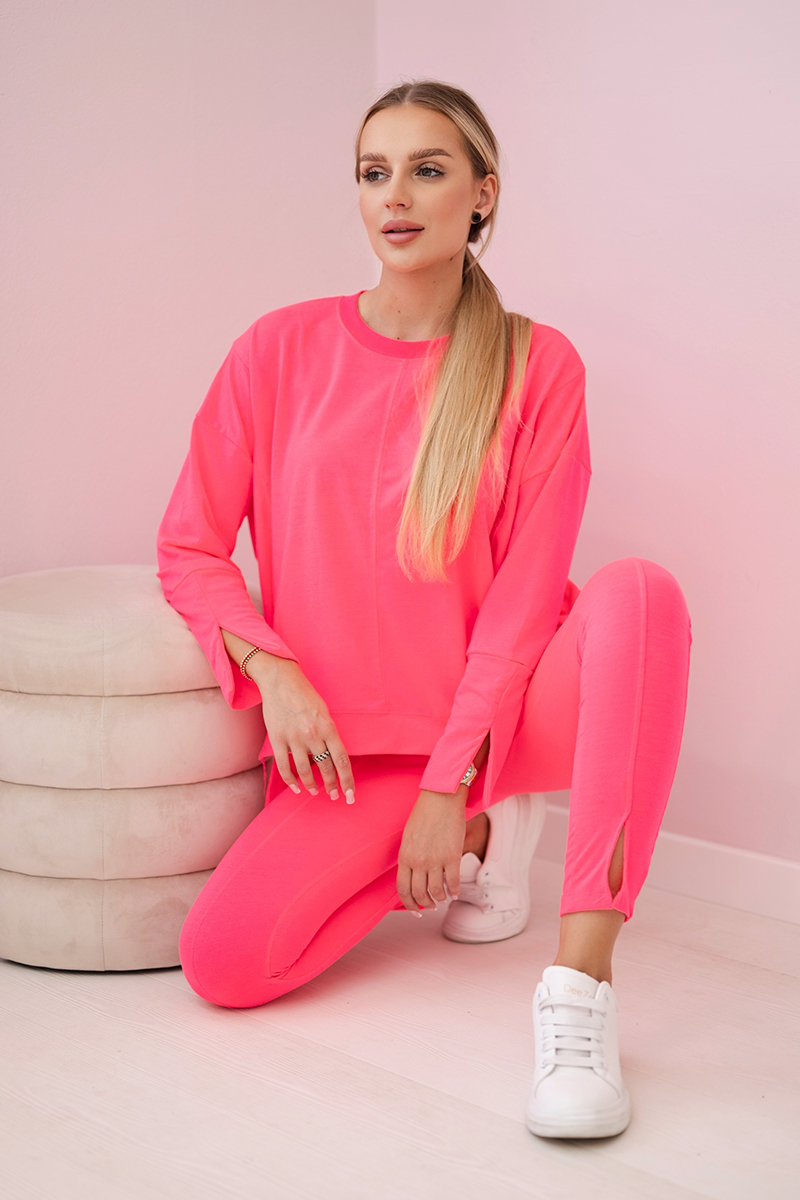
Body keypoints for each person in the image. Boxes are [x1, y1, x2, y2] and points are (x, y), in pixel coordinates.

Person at [156, 78, 692, 1141]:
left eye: (427, 170)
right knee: (224, 963)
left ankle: (579, 990)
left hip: (495, 719)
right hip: (351, 754)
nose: (394, 196)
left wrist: (451, 783)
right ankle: (497, 829)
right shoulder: (275, 351)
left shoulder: (537, 363)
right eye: (374, 172)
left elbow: (526, 602)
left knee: (640, 593)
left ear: (481, 195)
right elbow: (189, 548)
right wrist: (274, 670)